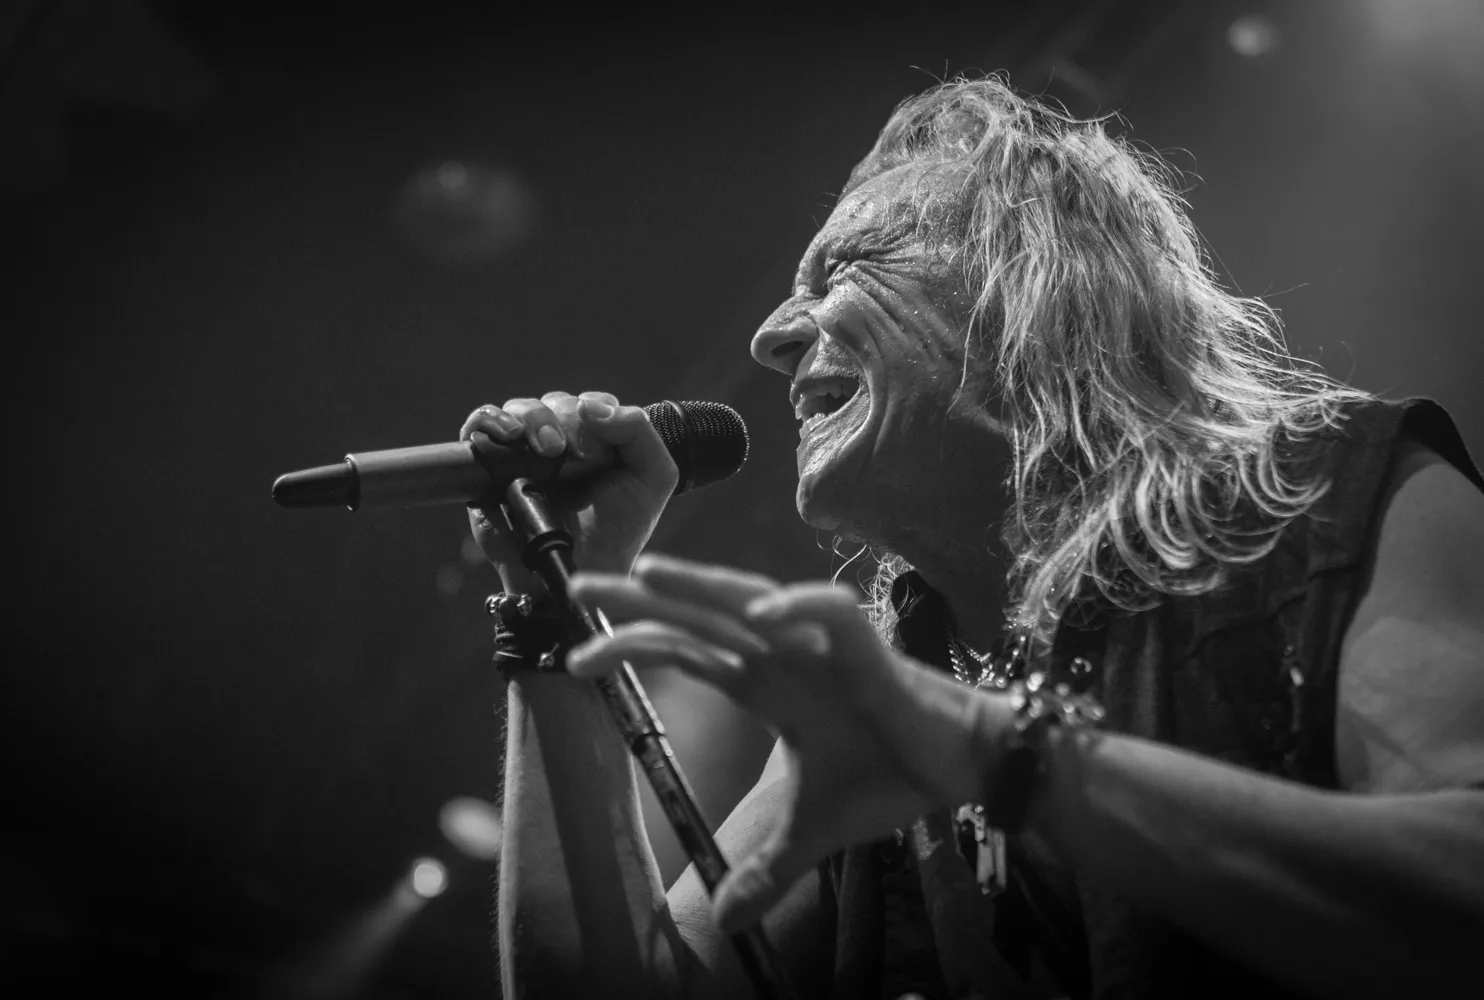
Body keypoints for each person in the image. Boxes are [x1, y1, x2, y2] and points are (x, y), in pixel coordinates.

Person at [460, 76, 1484, 999]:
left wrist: (999, 758)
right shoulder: (902, 681)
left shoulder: (1332, 496)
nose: (771, 337)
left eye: (842, 269)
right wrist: (558, 600)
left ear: (1032, 288)